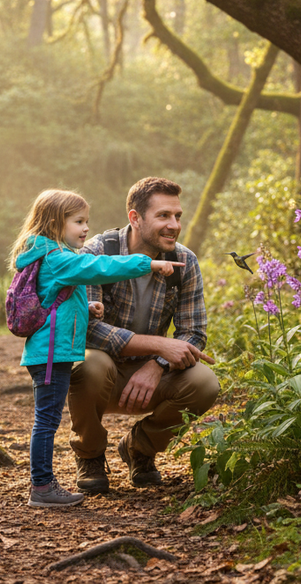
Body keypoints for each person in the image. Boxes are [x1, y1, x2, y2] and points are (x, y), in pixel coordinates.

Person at [10, 189, 184, 508]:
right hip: (52, 354)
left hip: (54, 351)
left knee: (46, 419)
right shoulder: (57, 257)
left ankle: (43, 484)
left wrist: (87, 306)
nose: (86, 228)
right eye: (78, 222)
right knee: (46, 421)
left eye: (86, 221)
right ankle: (42, 487)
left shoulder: (51, 256)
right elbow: (100, 268)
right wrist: (149, 265)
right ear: (54, 223)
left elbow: (54, 299)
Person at [70, 177, 219, 493]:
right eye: (163, 216)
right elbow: (87, 329)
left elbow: (193, 333)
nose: (174, 225)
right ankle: (90, 455)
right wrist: (161, 345)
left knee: (205, 382)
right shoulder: (97, 252)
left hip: (152, 376)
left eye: (177, 216)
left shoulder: (184, 261)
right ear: (135, 218)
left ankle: (140, 449)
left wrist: (157, 365)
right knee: (87, 363)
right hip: (103, 373)